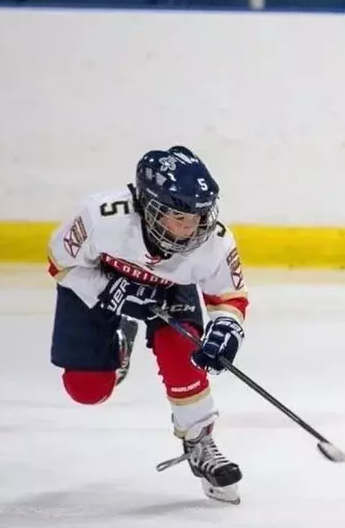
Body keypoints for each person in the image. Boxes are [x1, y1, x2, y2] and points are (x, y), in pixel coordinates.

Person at [46, 146, 249, 504]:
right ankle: (120, 339)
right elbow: (60, 262)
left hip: (168, 291)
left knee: (185, 352)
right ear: (149, 206)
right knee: (87, 389)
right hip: (99, 282)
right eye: (178, 216)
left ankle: (199, 441)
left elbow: (229, 297)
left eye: (198, 217)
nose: (190, 228)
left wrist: (227, 329)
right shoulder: (101, 217)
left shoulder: (214, 240)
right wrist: (106, 288)